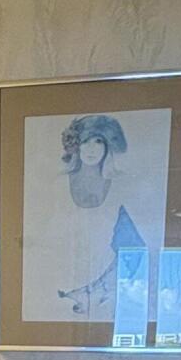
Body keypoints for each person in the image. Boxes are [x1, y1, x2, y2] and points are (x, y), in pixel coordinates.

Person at [55, 113, 146, 315]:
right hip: (58, 272)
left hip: (101, 279)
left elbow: (132, 245)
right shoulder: (58, 184)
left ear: (108, 147)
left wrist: (105, 284)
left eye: (99, 142)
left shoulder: (121, 186)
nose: (92, 149)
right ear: (76, 145)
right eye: (86, 141)